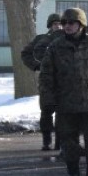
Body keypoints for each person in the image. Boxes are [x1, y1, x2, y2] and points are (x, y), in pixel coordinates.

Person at [39, 8, 88, 176]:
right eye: (64, 23)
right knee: (69, 142)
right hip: (66, 103)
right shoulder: (55, 47)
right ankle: (73, 175)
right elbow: (46, 77)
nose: (67, 26)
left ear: (81, 24)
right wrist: (47, 103)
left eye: (71, 23)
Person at [21, 13, 63, 153]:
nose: (58, 26)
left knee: (63, 113)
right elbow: (26, 53)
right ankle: (46, 141)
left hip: (65, 81)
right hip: (47, 81)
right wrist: (36, 65)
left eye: (60, 23)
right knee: (46, 111)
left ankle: (60, 141)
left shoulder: (67, 38)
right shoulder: (42, 39)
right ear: (50, 25)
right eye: (55, 24)